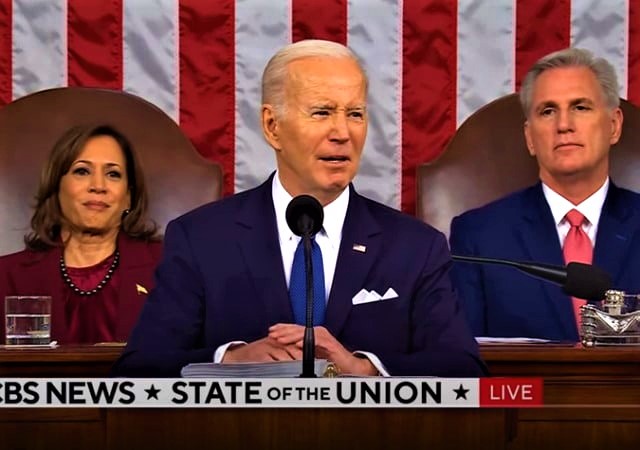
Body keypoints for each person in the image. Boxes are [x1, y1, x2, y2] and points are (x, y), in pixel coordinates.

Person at [112, 39, 485, 377]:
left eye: (355, 113)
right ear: (272, 126)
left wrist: (365, 369)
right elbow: (139, 367)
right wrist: (228, 360)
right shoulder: (202, 238)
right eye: (322, 112)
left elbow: (466, 371)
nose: (343, 132)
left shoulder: (415, 247)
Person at [449, 48, 640, 341]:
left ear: (613, 126)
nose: (564, 125)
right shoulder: (479, 236)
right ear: (529, 137)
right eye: (548, 111)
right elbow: (465, 361)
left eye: (580, 107)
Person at [0, 124, 162, 344]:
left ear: (129, 197)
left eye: (113, 174)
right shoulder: (7, 276)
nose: (98, 186)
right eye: (82, 171)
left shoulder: (168, 267)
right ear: (56, 186)